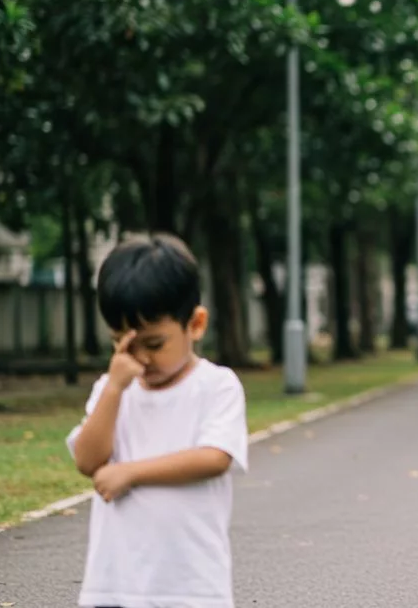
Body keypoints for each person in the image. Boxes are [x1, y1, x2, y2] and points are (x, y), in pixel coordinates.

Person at [66, 233, 249, 608]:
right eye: (123, 342)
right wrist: (115, 389)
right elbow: (87, 461)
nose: (141, 358)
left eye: (154, 344)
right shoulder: (112, 389)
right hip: (114, 584)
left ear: (195, 325)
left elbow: (215, 457)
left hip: (191, 586)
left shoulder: (216, 386)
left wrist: (131, 472)